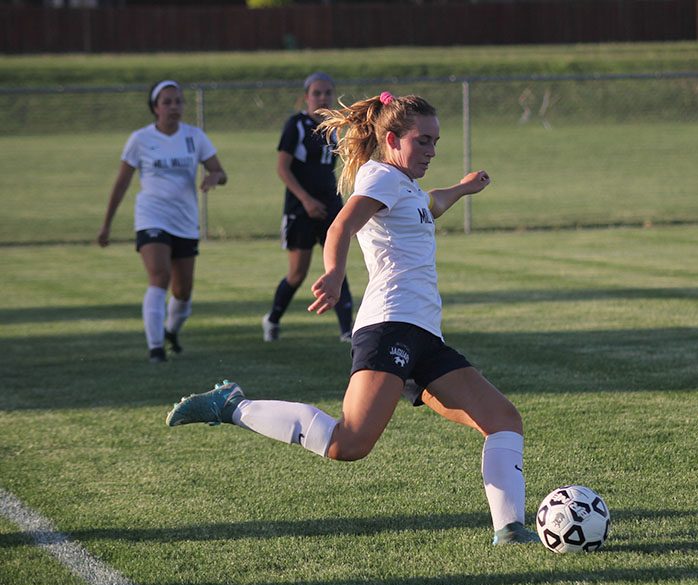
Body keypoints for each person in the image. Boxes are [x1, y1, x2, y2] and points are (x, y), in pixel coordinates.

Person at [166, 91, 539, 545]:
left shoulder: (403, 186)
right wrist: (334, 273)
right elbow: (341, 225)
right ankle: (232, 405)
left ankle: (510, 531)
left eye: (436, 141)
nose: (432, 151)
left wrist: (462, 188)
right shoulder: (381, 176)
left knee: (503, 419)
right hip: (390, 327)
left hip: (424, 335)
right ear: (391, 138)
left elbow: (430, 205)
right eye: (423, 141)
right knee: (349, 443)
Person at [98, 80, 227, 363]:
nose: (173, 107)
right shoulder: (140, 140)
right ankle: (155, 348)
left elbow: (220, 171)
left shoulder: (195, 136)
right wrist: (106, 224)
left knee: (183, 292)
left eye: (178, 101)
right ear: (155, 107)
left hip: (184, 220)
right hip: (151, 216)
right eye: (167, 102)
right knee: (159, 276)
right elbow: (121, 184)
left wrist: (213, 177)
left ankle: (170, 331)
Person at [262, 72, 353, 343]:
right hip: (301, 209)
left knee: (336, 268)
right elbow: (282, 167)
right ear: (306, 97)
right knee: (297, 273)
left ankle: (347, 331)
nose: (323, 97)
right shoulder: (297, 125)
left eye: (327, 92)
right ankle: (273, 319)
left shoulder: (334, 126)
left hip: (330, 208)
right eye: (317, 93)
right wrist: (306, 200)